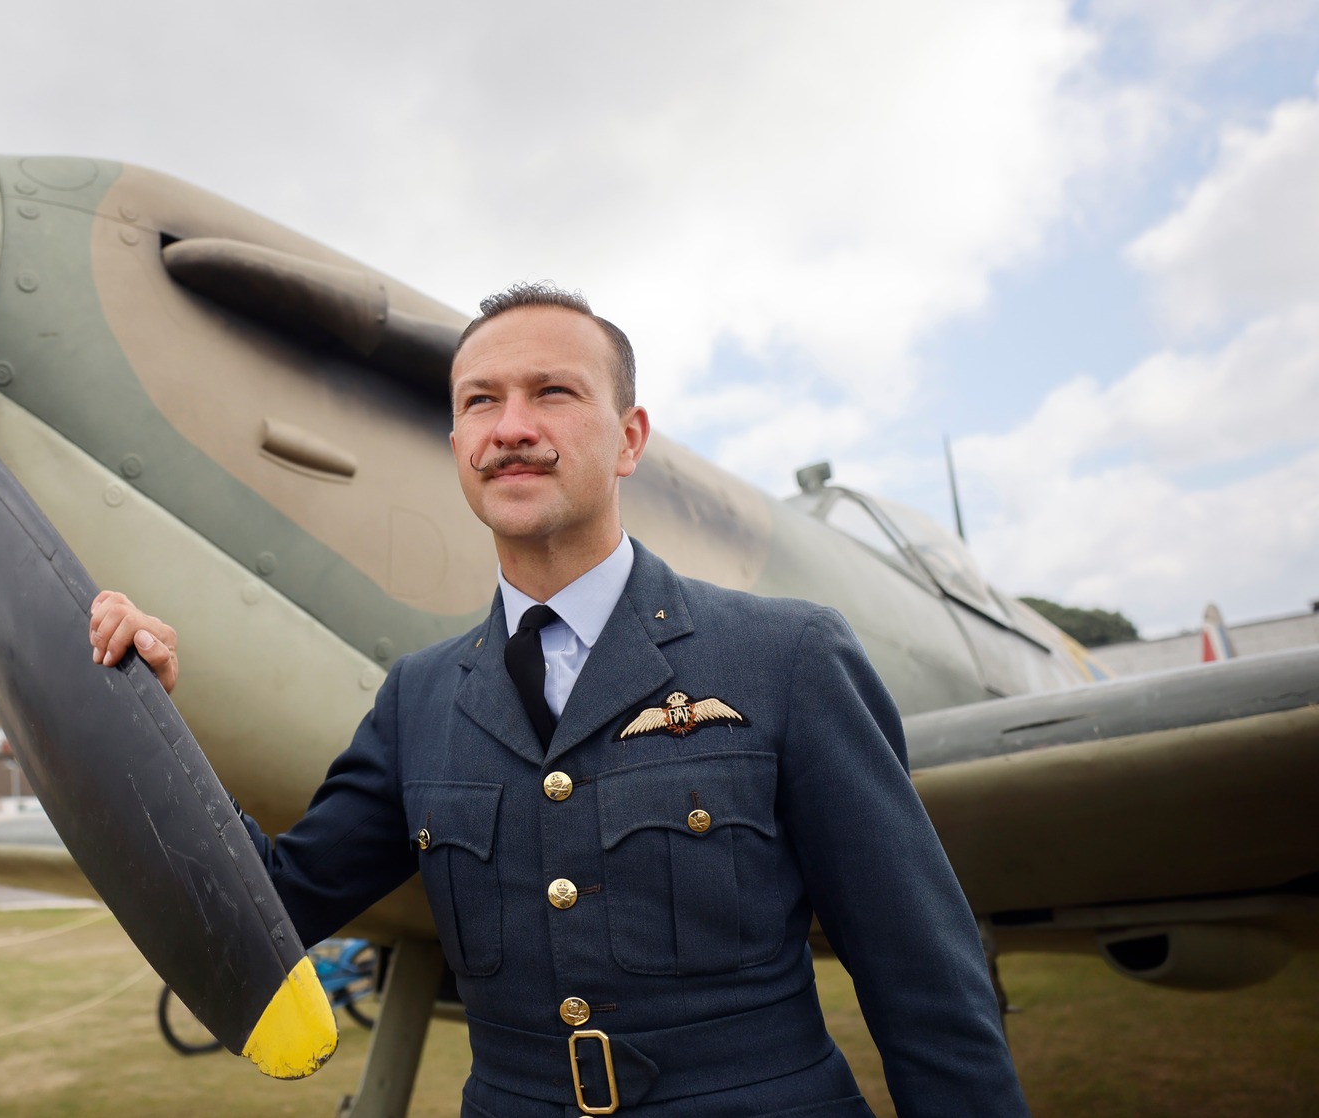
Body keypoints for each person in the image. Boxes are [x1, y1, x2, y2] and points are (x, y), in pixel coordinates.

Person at [90, 283, 1027, 1117]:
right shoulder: (418, 702)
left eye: (554, 393)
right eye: (480, 403)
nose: (511, 427)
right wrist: (138, 719)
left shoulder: (788, 657)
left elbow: (925, 980)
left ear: (629, 439)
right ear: (456, 445)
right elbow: (272, 907)